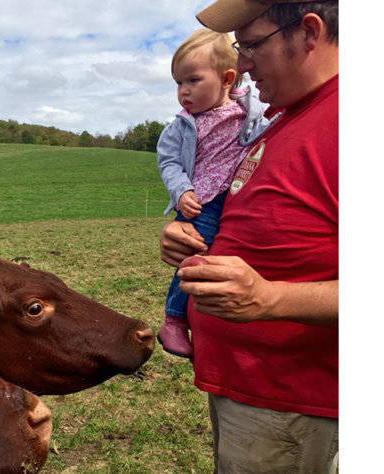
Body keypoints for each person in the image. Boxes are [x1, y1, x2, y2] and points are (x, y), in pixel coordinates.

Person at [158, 0, 339, 472]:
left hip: (292, 401)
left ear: (309, 32)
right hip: (245, 387)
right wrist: (189, 239)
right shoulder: (280, 123)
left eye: (252, 44)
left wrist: (270, 299)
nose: (241, 64)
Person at [156, 28, 270, 359]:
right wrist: (181, 192)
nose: (183, 91)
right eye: (178, 83)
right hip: (202, 203)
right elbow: (169, 164)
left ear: (226, 78)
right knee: (193, 258)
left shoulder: (250, 111)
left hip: (237, 196)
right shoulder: (180, 126)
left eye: (192, 80)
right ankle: (174, 319)